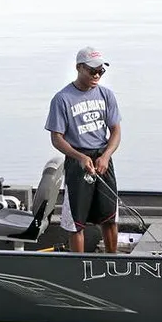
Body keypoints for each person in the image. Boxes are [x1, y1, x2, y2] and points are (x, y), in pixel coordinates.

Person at [45, 47, 122, 253]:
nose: (97, 75)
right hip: (77, 160)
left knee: (109, 216)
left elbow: (115, 131)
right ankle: (78, 266)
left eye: (101, 71)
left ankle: (112, 259)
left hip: (102, 158)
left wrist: (106, 155)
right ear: (79, 68)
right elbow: (57, 138)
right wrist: (79, 157)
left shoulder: (107, 95)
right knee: (76, 221)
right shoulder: (62, 99)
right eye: (92, 71)